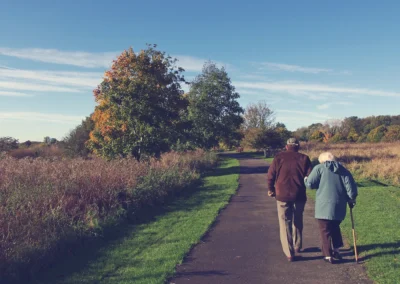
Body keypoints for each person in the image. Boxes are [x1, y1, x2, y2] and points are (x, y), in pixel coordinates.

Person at [305, 152, 357, 264]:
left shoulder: (319, 168)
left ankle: (328, 255)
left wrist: (305, 179)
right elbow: (351, 189)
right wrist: (351, 199)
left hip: (323, 206)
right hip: (339, 205)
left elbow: (310, 184)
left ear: (322, 160)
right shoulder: (343, 169)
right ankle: (336, 249)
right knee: (335, 227)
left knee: (325, 230)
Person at [267, 138, 312, 261]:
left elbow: (271, 174)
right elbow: (310, 177)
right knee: (298, 220)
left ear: (286, 146)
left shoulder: (278, 157)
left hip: (282, 194)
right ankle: (297, 246)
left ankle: (289, 252)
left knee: (284, 222)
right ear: (298, 147)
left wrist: (270, 188)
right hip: (299, 194)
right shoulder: (304, 158)